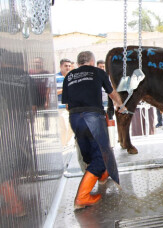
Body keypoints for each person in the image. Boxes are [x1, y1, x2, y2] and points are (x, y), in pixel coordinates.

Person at [62, 51, 126, 210]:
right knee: (100, 158)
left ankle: (103, 176)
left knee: (89, 156)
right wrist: (122, 106)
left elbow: (68, 105)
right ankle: (82, 197)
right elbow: (112, 94)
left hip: (75, 118)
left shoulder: (69, 76)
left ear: (78, 62)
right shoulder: (98, 72)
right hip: (92, 117)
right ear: (92, 61)